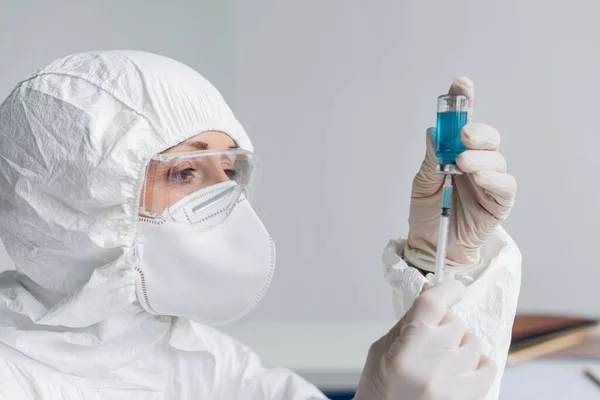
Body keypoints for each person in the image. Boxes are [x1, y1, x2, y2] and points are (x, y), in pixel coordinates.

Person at [0, 51, 520, 399]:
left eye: (229, 171)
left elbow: (451, 379)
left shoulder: (203, 361)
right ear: (68, 205)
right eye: (184, 171)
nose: (223, 198)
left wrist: (440, 260)